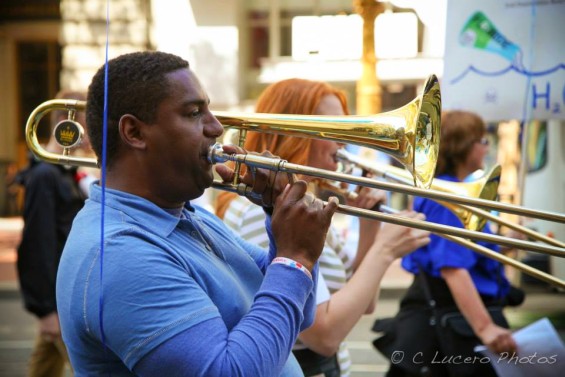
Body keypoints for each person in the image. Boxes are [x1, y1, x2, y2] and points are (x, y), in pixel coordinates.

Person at [56, 51, 339, 376]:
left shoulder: (185, 215)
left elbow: (298, 314)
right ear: (134, 132)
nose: (217, 127)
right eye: (194, 113)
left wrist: (279, 215)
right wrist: (296, 257)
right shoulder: (120, 253)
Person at [215, 78, 431, 377]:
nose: (344, 142)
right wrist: (385, 249)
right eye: (334, 130)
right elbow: (323, 335)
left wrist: (368, 224)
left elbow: (363, 304)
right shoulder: (258, 210)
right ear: (294, 133)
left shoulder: (305, 206)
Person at [372, 110, 519, 377]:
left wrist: (511, 242)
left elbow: (465, 251)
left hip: (450, 318)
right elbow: (452, 267)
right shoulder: (447, 197)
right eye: (482, 141)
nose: (486, 148)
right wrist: (485, 328)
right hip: (450, 323)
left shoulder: (453, 192)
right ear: (463, 146)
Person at [16, 89, 89, 377]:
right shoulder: (45, 175)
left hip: (65, 298)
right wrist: (46, 310)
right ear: (66, 123)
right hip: (60, 304)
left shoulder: (65, 172)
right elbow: (36, 244)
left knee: (43, 367)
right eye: (88, 123)